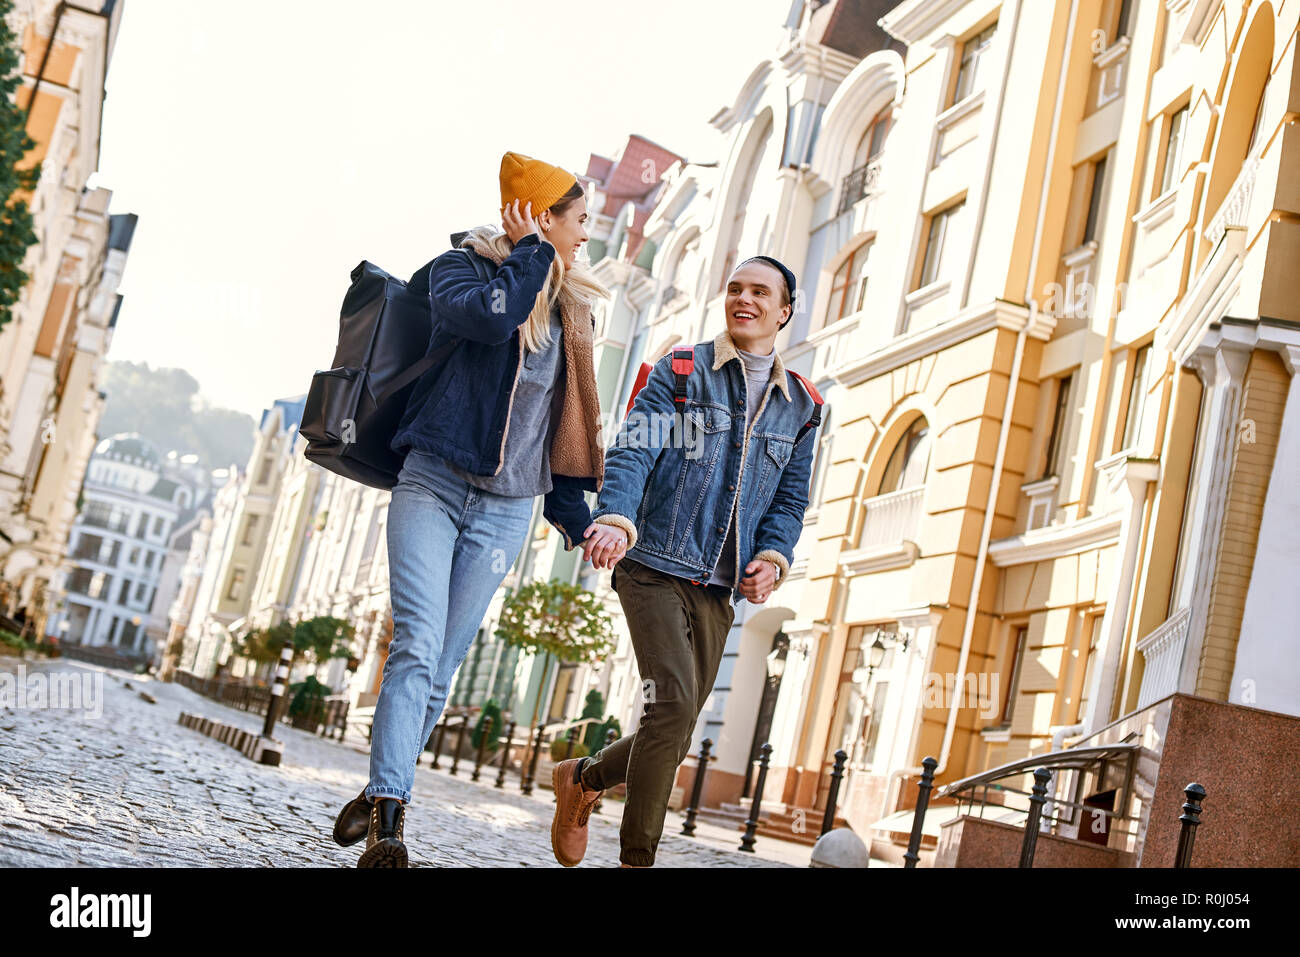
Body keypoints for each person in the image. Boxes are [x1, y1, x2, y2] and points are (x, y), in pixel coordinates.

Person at [331, 151, 609, 867]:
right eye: (577, 221)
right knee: (416, 646)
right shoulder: (459, 270)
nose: (586, 236)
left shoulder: (576, 309)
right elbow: (491, 322)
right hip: (433, 483)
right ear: (543, 219)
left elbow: (567, 420)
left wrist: (575, 517)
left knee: (444, 664)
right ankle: (390, 820)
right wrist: (528, 255)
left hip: (507, 509)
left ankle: (380, 787)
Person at [550, 254, 819, 868]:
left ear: (785, 312)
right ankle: (637, 858)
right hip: (652, 564)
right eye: (734, 289)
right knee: (669, 706)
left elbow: (790, 498)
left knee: (672, 730)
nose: (742, 299)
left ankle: (584, 780)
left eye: (759, 292)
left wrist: (774, 558)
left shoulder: (803, 407)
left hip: (718, 586)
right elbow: (633, 452)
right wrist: (617, 518)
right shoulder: (681, 371)